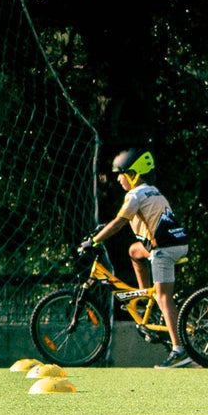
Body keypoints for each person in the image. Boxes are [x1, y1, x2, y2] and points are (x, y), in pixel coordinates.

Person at [79, 146, 195, 367]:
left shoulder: (134, 195)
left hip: (164, 249)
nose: (118, 180)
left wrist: (93, 241)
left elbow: (119, 223)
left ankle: (179, 350)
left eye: (121, 175)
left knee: (164, 296)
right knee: (134, 251)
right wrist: (103, 229)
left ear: (133, 174)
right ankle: (144, 298)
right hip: (177, 243)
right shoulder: (153, 191)